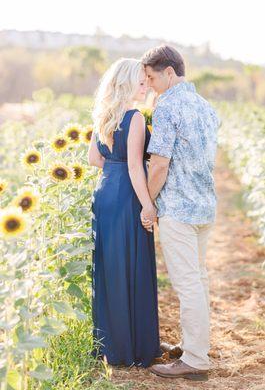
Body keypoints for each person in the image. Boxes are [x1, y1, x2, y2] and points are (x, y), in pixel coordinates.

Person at [140, 45, 220, 381]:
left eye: (152, 77)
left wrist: (147, 201)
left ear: (169, 72)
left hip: (178, 209)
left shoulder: (168, 105)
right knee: (198, 280)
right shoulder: (206, 107)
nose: (150, 85)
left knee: (188, 284)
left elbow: (159, 164)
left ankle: (196, 360)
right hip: (204, 205)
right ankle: (193, 346)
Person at [88, 58, 162, 367]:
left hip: (105, 193)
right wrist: (147, 204)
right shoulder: (134, 117)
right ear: (126, 84)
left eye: (147, 81)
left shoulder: (102, 114)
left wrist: (113, 170)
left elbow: (94, 159)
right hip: (127, 196)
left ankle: (112, 346)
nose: (146, 87)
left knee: (110, 268)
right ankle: (135, 346)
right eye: (141, 82)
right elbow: (135, 166)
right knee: (132, 266)